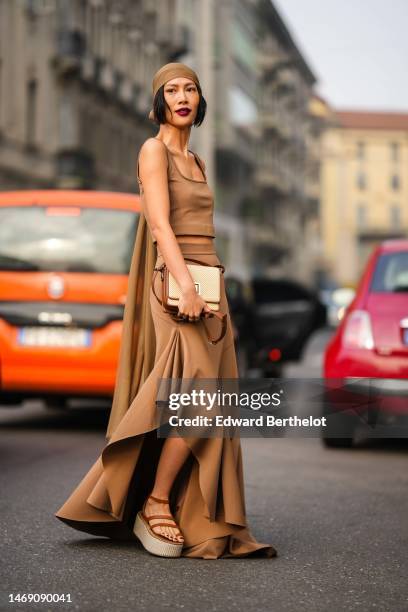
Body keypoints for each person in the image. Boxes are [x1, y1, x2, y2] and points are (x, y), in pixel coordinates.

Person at [55, 62, 278, 560]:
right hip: (175, 286)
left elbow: (205, 234)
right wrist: (186, 286)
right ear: (159, 101)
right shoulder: (152, 150)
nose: (183, 96)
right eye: (172, 89)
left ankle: (178, 505)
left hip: (208, 284)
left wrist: (218, 298)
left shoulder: (197, 160)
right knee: (196, 395)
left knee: (209, 398)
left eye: (191, 89)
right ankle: (154, 502)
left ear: (200, 101)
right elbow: (160, 226)